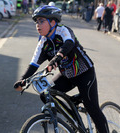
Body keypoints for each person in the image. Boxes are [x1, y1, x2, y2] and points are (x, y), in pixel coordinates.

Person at [14, 5, 109, 133]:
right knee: (46, 94)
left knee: (92, 108)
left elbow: (68, 44)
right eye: (36, 22)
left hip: (84, 73)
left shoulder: (63, 31)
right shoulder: (43, 42)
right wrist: (22, 80)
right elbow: (33, 64)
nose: (38, 24)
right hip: (67, 75)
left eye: (41, 21)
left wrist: (56, 58)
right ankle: (74, 121)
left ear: (52, 22)